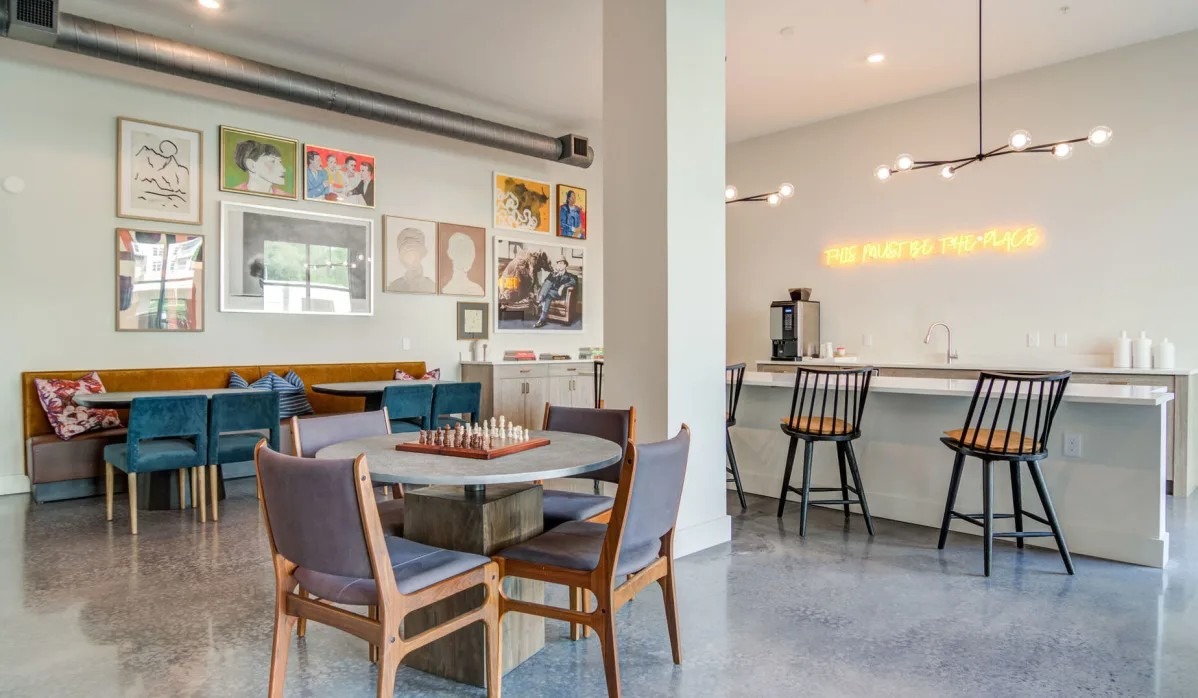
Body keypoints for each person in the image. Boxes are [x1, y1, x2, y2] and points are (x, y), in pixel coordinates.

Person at [386, 227, 436, 293]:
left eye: (415, 254)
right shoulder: (394, 287)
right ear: (402, 257)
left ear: (422, 254)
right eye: (408, 255)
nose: (412, 259)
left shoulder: (432, 286)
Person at [534, 258, 578, 328]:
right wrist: (553, 275)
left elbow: (573, 282)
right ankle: (542, 320)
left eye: (561, 263)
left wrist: (563, 286)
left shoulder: (570, 275)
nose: (559, 265)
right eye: (558, 263)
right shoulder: (554, 274)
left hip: (561, 294)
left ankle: (540, 300)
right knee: (548, 292)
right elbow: (546, 282)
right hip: (551, 293)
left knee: (548, 291)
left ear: (565, 265)